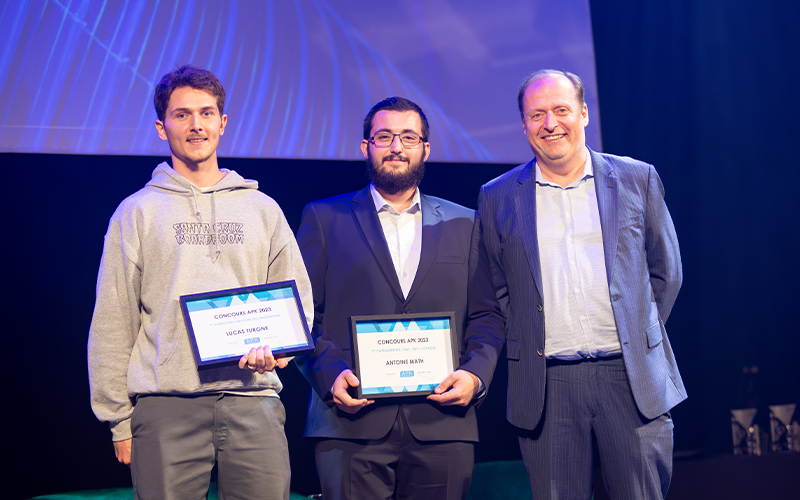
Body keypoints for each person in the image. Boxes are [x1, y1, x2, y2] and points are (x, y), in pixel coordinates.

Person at [87, 65, 312, 500]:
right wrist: (117, 418)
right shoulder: (136, 213)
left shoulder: (262, 209)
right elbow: (113, 319)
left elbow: (296, 299)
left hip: (253, 402)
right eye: (182, 114)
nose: (196, 125)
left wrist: (279, 350)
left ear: (223, 123)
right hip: (167, 406)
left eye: (207, 113)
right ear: (161, 126)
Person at [478, 69, 686, 499]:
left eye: (561, 110)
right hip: (547, 385)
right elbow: (498, 286)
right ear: (523, 124)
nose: (550, 123)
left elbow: (666, 273)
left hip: (630, 379)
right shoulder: (497, 195)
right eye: (537, 115)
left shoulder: (636, 178)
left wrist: (636, 332)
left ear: (584, 113)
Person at [294, 97, 504, 500]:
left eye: (409, 137)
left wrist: (476, 375)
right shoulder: (323, 218)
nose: (396, 146)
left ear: (425, 148)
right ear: (365, 146)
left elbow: (487, 315)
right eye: (384, 136)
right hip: (350, 420)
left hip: (443, 422)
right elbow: (303, 314)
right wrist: (330, 375)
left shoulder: (467, 223)